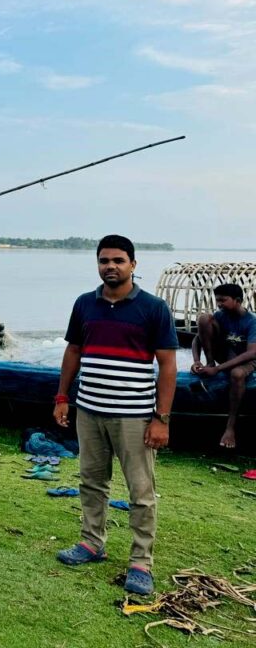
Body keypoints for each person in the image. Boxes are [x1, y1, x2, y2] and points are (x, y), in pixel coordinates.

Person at [53, 234, 178, 597]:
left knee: (141, 491)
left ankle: (141, 562)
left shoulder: (153, 308)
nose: (111, 266)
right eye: (104, 260)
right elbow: (74, 351)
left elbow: (168, 366)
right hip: (89, 411)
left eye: (118, 260)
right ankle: (92, 543)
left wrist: (161, 418)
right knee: (92, 481)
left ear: (133, 265)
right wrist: (62, 396)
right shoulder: (84, 304)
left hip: (133, 416)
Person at [191, 283, 256, 448]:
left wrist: (218, 369)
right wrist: (197, 360)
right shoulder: (220, 316)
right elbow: (197, 339)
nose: (219, 304)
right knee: (204, 318)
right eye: (217, 300)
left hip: (247, 360)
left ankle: (230, 427)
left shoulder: (251, 321)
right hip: (226, 355)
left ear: (237, 301)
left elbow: (252, 353)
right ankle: (210, 361)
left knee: (237, 374)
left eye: (223, 300)